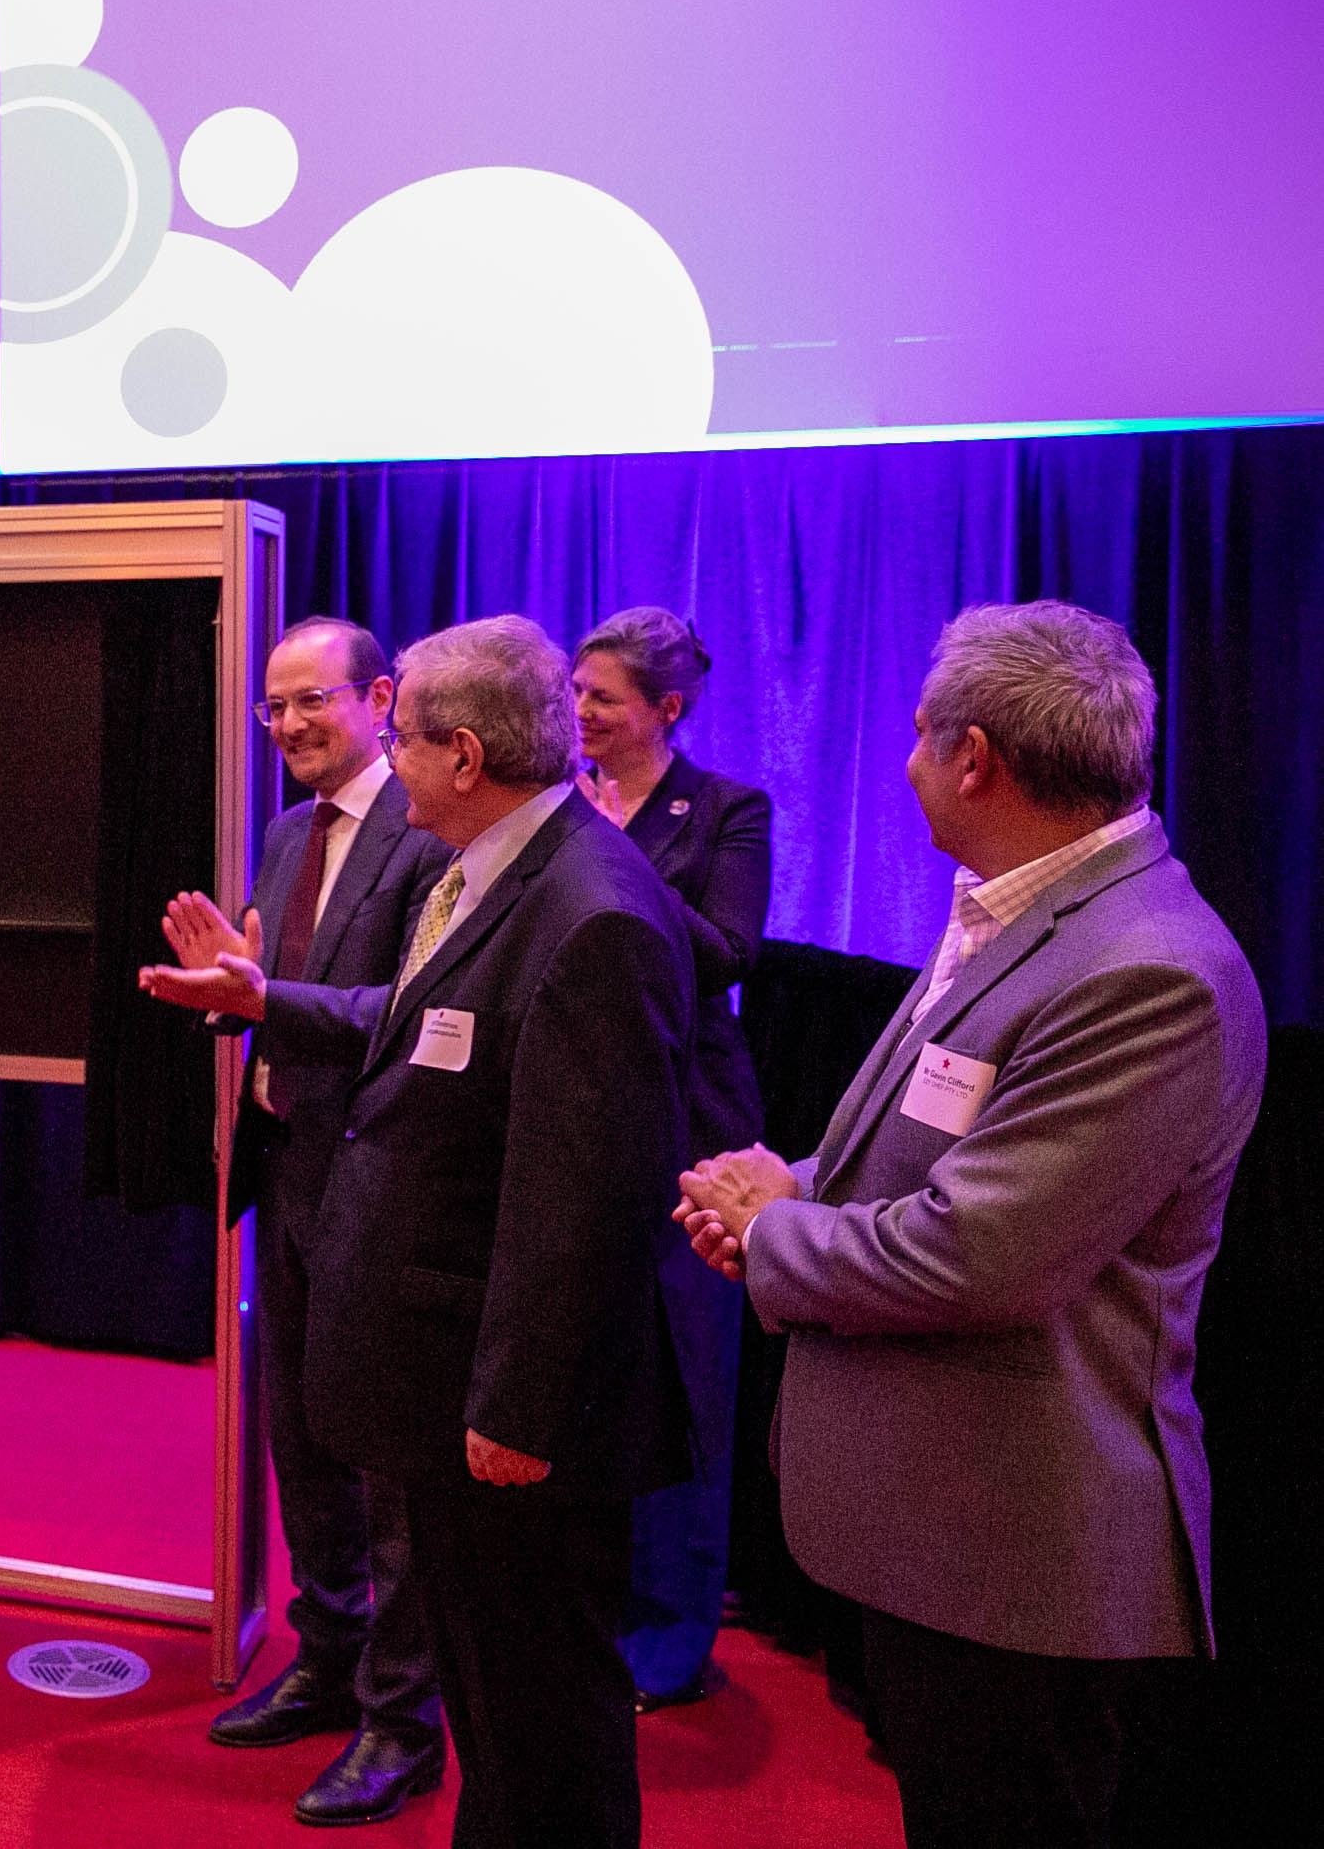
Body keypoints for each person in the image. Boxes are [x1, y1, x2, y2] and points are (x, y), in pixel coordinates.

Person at [677, 602, 1265, 1849]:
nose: (903, 765)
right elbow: (913, 1158)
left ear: (975, 757)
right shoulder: (1017, 909)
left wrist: (770, 1233)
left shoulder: (1142, 967)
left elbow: (974, 1252)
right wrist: (787, 1183)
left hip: (1014, 1558)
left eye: (916, 737)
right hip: (943, 1534)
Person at [143, 614, 692, 1849]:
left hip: (499, 1382)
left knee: (541, 1695)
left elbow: (589, 1201)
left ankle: (405, 1725)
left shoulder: (588, 907)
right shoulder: (493, 868)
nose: (377, 754)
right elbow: (425, 1026)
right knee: (504, 1693)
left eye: (387, 729)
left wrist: (514, 1403)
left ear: (455, 751)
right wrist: (255, 995)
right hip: (393, 1286)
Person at [180, 618, 450, 1825]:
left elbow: (423, 1010)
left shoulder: (434, 832)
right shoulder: (286, 835)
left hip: (384, 1188)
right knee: (302, 1442)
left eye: (309, 703)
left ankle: (404, 1720)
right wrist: (231, 994)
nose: (285, 726)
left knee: (388, 1462)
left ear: (379, 697)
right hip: (287, 1173)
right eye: (269, 708)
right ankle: (328, 1664)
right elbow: (270, 994)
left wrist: (266, 997)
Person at [571, 608, 771, 1712]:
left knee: (690, 1384)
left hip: (693, 1127)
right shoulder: (562, 800)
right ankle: (597, 1604)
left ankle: (674, 1638)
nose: (579, 713)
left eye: (600, 696)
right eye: (575, 692)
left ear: (668, 710)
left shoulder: (729, 811)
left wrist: (607, 852)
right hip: (580, 1120)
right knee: (594, 1378)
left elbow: (725, 952)